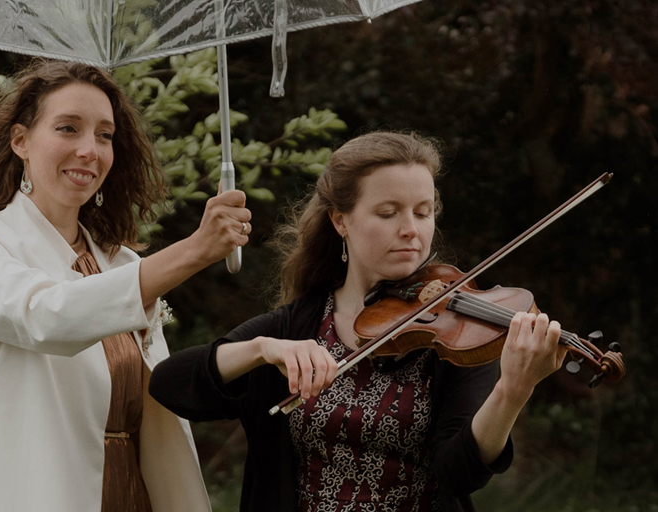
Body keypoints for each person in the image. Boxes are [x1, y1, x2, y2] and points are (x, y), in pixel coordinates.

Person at [148, 131, 568, 512]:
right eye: (388, 213)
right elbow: (170, 384)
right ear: (340, 220)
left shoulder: (456, 330)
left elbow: (459, 475)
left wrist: (512, 391)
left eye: (422, 213)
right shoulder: (297, 326)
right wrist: (262, 350)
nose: (410, 230)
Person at [0, 59, 252, 512]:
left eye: (104, 134)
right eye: (68, 128)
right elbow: (48, 316)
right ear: (20, 141)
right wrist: (196, 250)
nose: (89, 150)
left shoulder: (121, 262)